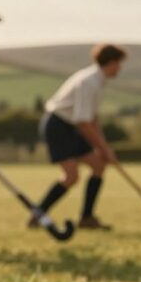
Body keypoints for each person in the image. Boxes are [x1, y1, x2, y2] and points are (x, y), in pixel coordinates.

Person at [31, 44, 126, 230]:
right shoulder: (89, 82)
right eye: (119, 64)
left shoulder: (99, 81)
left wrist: (103, 147)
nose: (120, 68)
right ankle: (38, 214)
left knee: (98, 165)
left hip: (71, 126)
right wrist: (103, 148)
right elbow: (83, 122)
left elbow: (93, 119)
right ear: (112, 62)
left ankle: (86, 218)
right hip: (57, 125)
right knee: (71, 175)